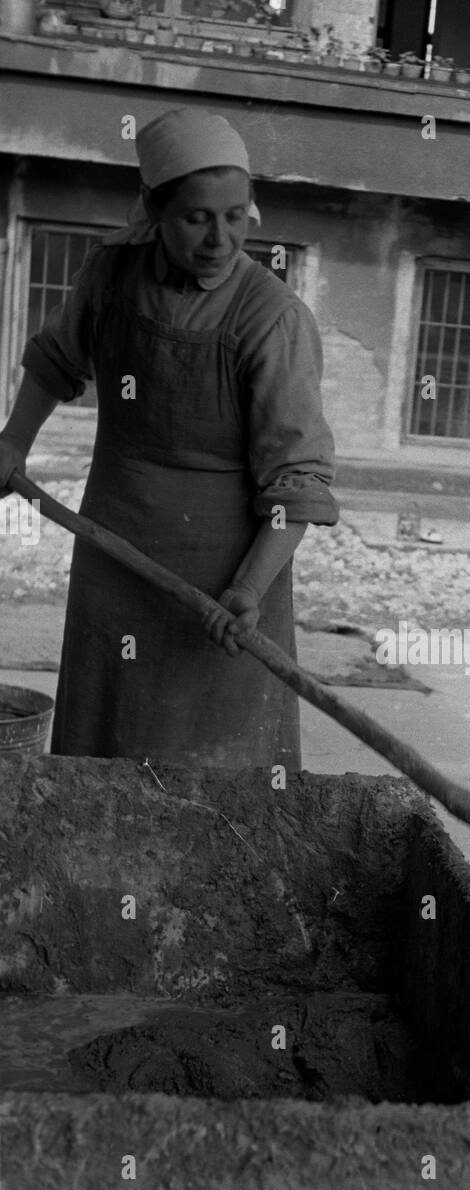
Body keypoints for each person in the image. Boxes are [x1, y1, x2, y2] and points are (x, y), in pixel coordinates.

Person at [0, 107, 338, 770]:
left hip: (224, 575)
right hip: (115, 546)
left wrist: (247, 589)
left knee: (211, 762)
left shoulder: (273, 321)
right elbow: (55, 361)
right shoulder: (111, 276)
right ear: (154, 212)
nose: (220, 238)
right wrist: (14, 442)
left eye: (236, 216)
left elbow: (295, 487)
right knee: (106, 738)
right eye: (197, 218)